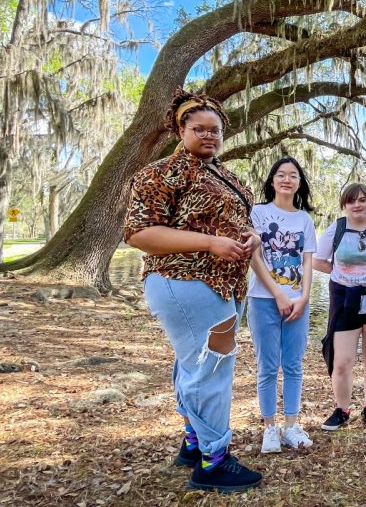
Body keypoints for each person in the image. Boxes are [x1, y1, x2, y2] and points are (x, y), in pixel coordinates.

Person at [124, 89, 271, 493]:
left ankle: (194, 443)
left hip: (224, 284)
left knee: (194, 363)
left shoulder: (224, 174)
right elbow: (140, 234)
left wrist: (250, 238)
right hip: (183, 280)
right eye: (199, 129)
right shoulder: (158, 174)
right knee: (210, 367)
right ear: (180, 130)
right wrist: (209, 244)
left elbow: (233, 223)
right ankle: (213, 462)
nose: (208, 135)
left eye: (215, 130)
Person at [313, 183, 366, 430]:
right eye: (351, 201)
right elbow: (318, 261)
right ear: (344, 205)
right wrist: (343, 275)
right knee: (343, 360)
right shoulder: (337, 229)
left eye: (362, 199)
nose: (357, 204)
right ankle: (342, 409)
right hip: (344, 298)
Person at [247, 157, 316, 453]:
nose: (287, 180)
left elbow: (308, 261)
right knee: (267, 366)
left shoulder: (305, 219)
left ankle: (291, 425)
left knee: (293, 365)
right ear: (272, 180)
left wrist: (303, 297)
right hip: (263, 300)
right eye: (281, 175)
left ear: (299, 183)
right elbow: (254, 256)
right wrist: (277, 293)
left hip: (297, 302)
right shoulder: (258, 213)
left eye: (293, 175)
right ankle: (270, 428)